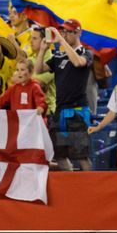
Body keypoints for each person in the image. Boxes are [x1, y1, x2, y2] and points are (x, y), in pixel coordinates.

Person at [34, 20, 94, 171]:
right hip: (60, 111)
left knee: (81, 155)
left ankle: (92, 190)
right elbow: (38, 70)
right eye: (63, 32)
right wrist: (42, 49)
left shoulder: (86, 52)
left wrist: (61, 41)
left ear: (78, 33)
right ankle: (73, 185)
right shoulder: (58, 55)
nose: (64, 34)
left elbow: (78, 63)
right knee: (60, 155)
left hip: (77, 111)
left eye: (68, 32)